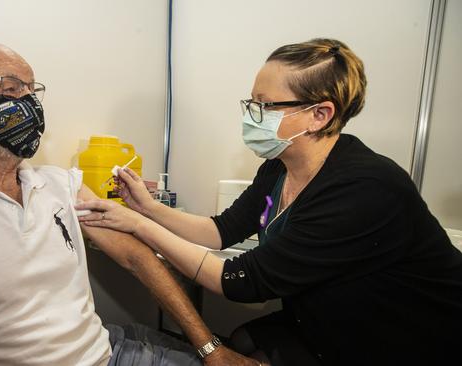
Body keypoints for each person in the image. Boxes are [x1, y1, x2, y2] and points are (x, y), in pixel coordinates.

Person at [0, 43, 260, 366]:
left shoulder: (59, 183)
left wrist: (211, 349)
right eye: (9, 87)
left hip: (108, 352)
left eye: (31, 91)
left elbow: (136, 256)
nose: (28, 104)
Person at [76, 38, 462, 366]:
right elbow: (221, 231)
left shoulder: (365, 187)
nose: (252, 116)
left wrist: (138, 226)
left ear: (319, 114)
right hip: (322, 322)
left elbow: (241, 282)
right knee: (242, 340)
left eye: (266, 105)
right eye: (252, 103)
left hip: (400, 337)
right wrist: (147, 208)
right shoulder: (279, 167)